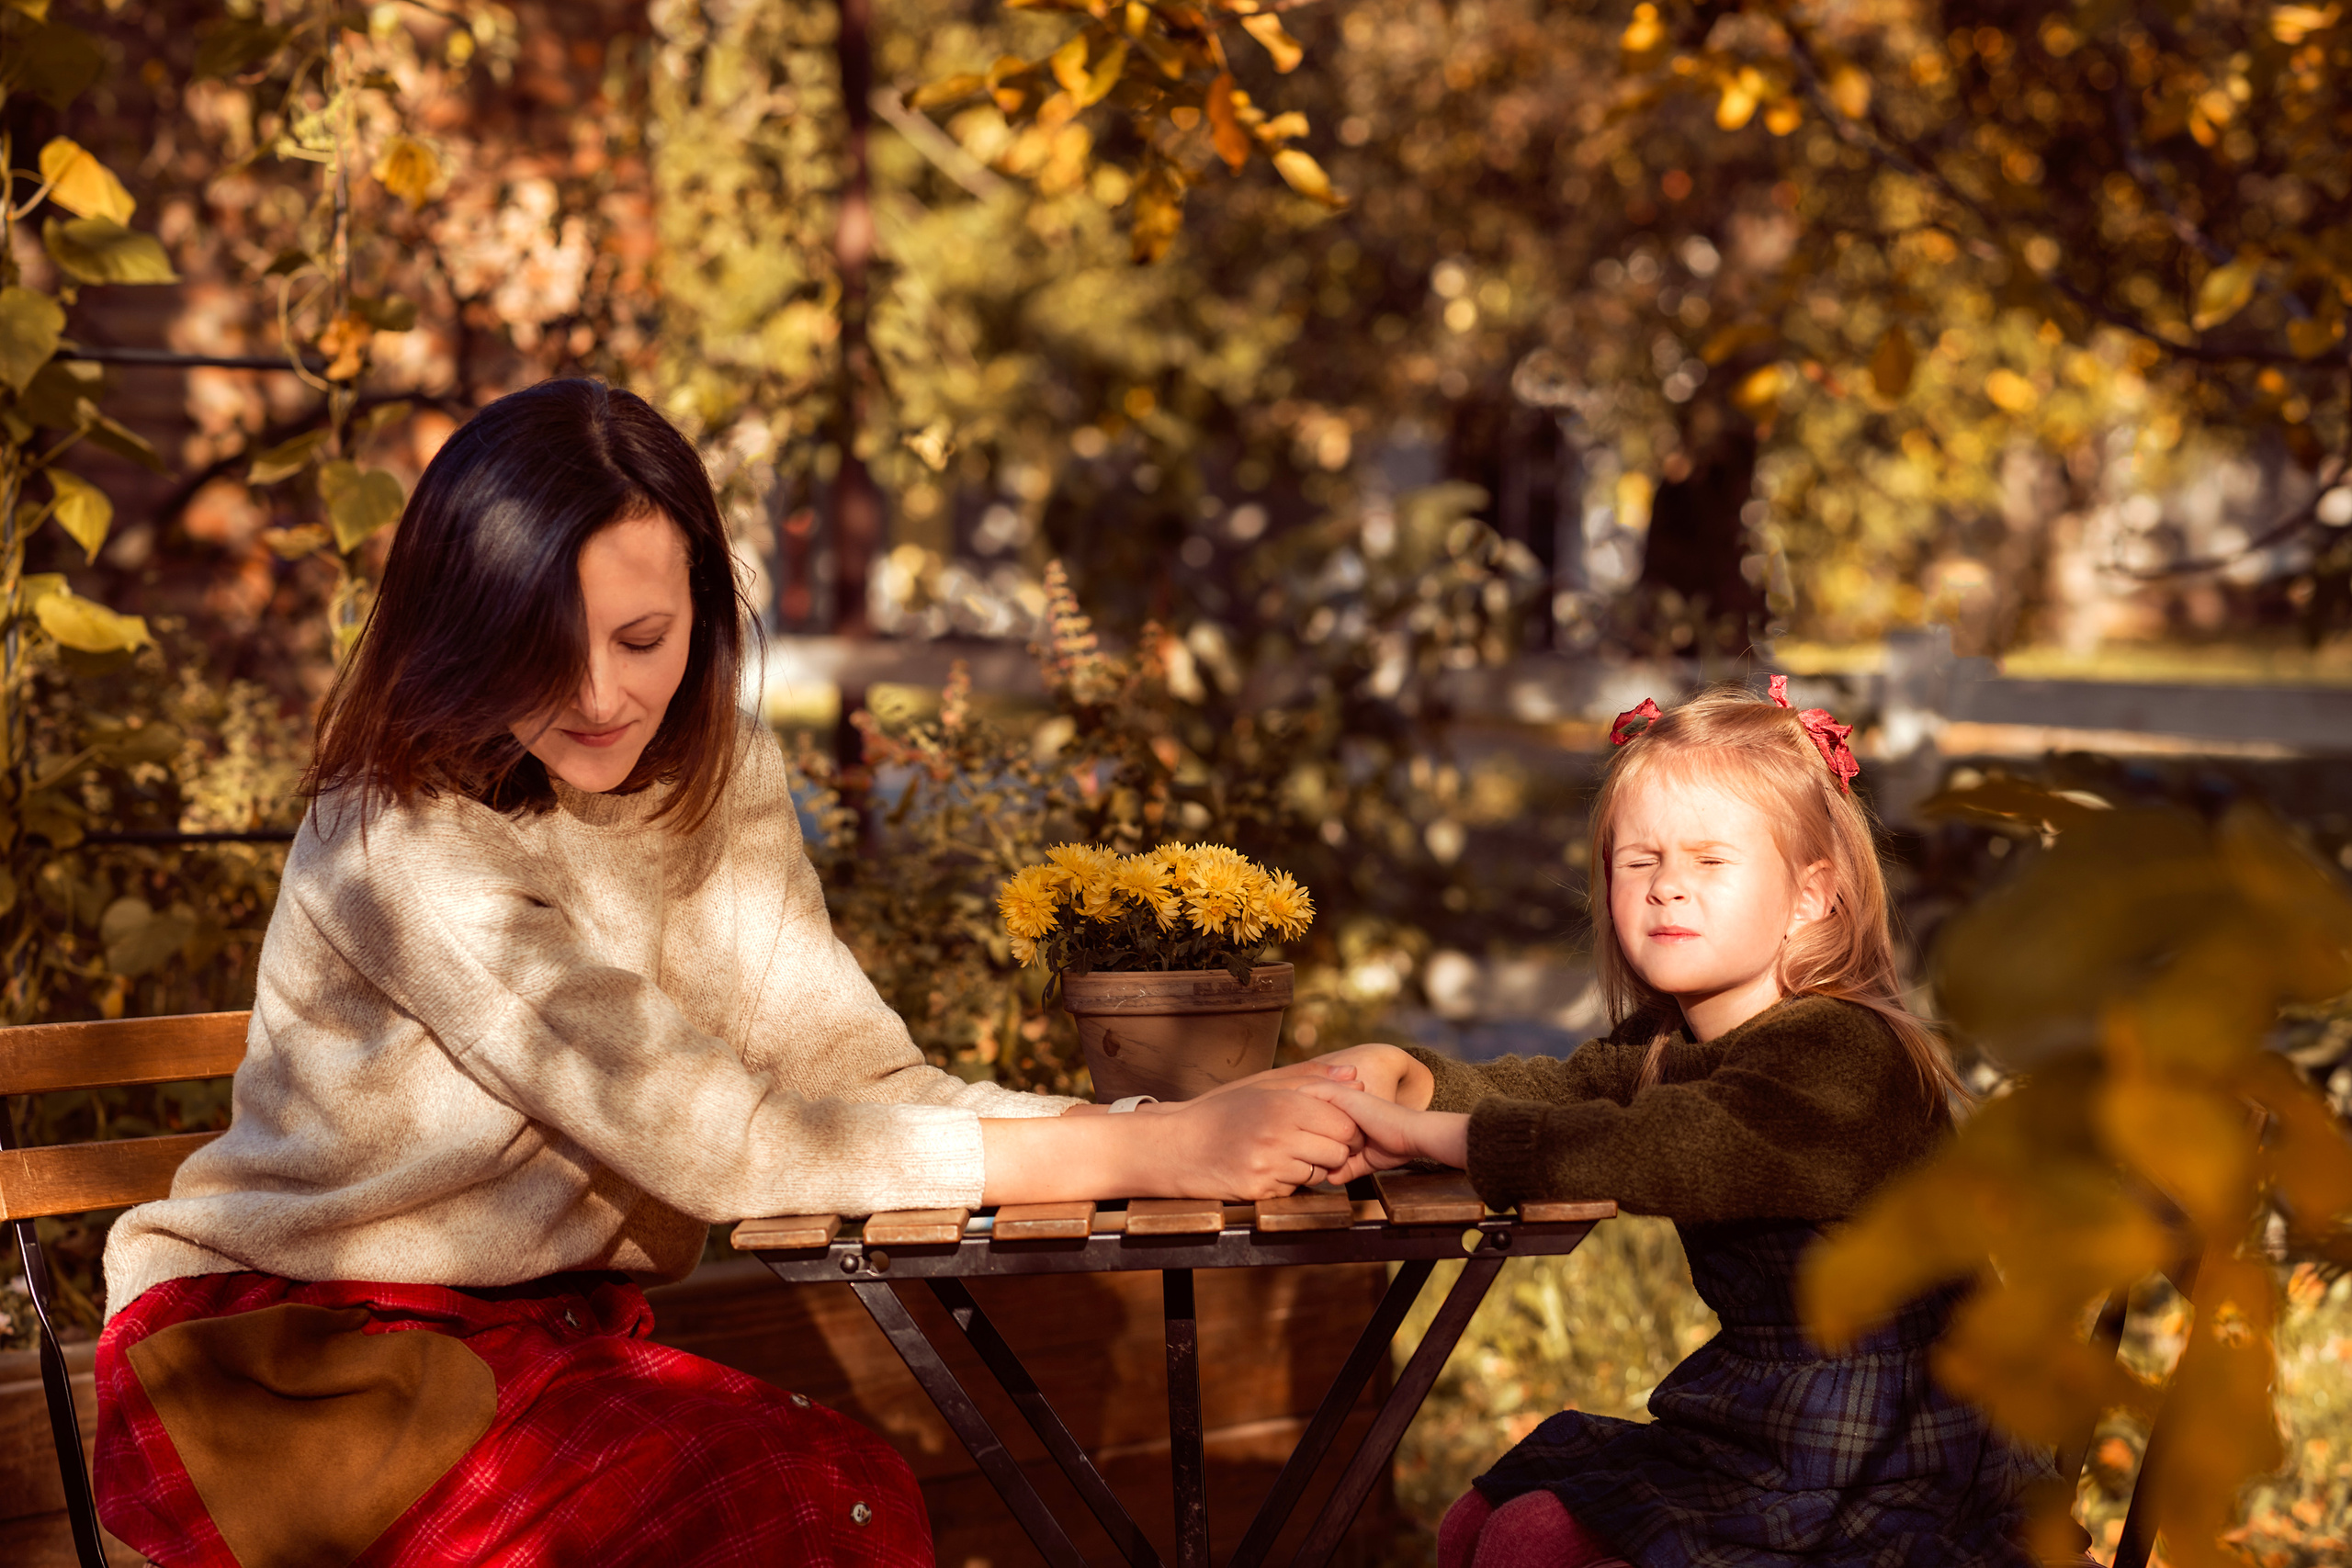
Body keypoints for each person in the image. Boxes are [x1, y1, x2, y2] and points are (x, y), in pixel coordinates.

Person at [93, 379, 1373, 1568]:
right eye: (544, 644)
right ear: (466, 628)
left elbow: (852, 1074)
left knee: (834, 1487)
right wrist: (1148, 1155)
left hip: (537, 1351)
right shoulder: (398, 829)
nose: (602, 693)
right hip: (286, 1360)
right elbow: (708, 1135)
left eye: (643, 635)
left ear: (704, 601)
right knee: (802, 1497)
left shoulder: (722, 773)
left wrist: (1162, 1128)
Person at [1322, 682, 2052, 1568]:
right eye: (1640, 860)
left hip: (1901, 1451)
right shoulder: (1675, 1039)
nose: (1668, 886)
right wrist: (1417, 1085)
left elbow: (1665, 1146)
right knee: (1482, 1518)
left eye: (1711, 861)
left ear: (1811, 895)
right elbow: (1562, 1090)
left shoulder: (1843, 1049)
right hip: (1776, 1422)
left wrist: (1444, 1141)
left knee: (1532, 1537)